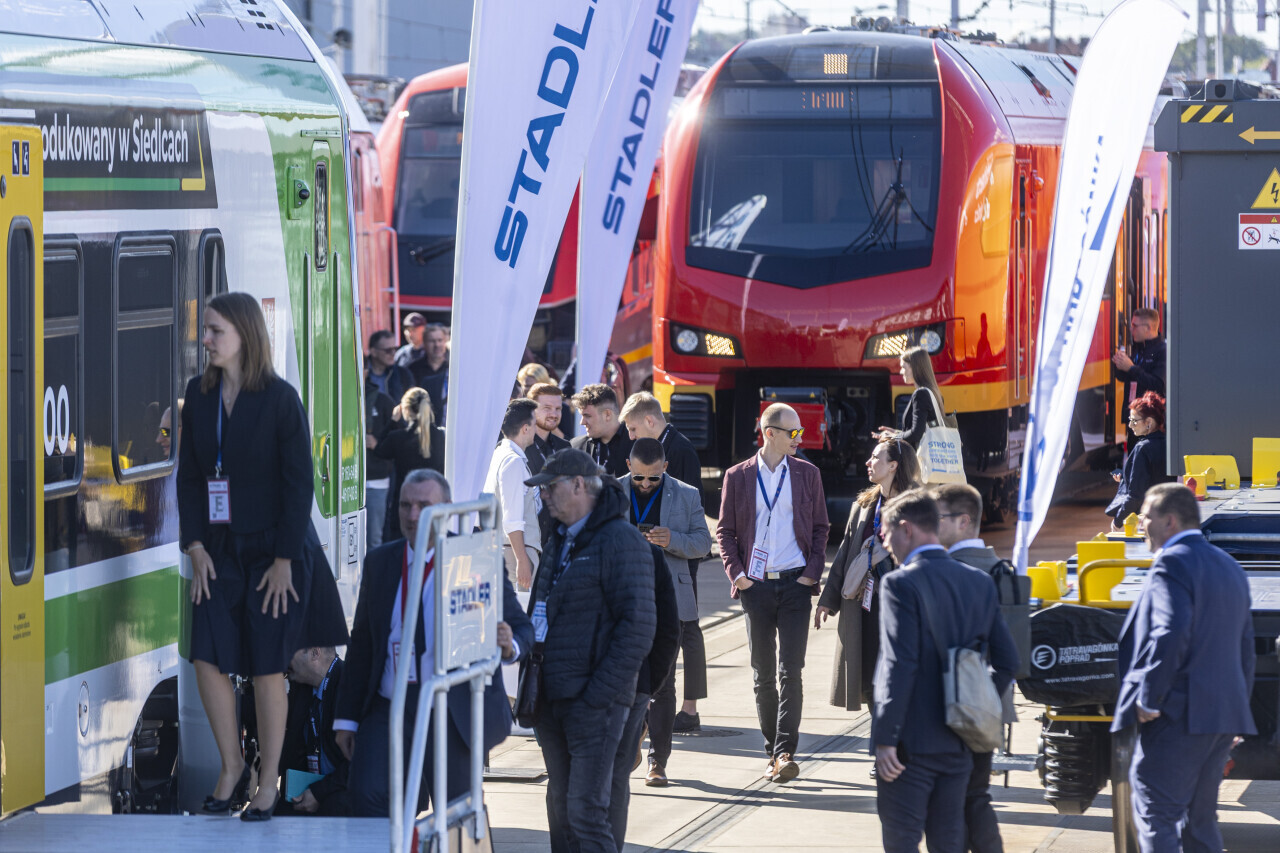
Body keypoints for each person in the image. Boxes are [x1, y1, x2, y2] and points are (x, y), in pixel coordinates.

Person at [178, 292, 348, 821]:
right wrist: (195, 545)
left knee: (268, 665)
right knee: (205, 653)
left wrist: (283, 561)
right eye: (206, 330)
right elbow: (190, 479)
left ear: (245, 335)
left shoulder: (279, 399)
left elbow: (300, 485)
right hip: (218, 549)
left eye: (215, 331)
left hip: (276, 552)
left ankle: (268, 784)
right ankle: (232, 766)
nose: (206, 340)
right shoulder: (199, 395)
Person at [333, 469, 533, 816]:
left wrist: (508, 644)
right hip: (390, 705)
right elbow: (362, 644)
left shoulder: (473, 558)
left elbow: (522, 629)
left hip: (449, 708)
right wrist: (346, 719)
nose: (413, 516)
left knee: (456, 813)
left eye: (424, 506)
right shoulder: (381, 562)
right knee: (366, 795)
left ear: (447, 508)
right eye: (405, 505)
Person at [523, 450, 657, 853]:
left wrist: (597, 697)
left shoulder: (620, 541)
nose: (544, 496)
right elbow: (541, 608)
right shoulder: (560, 538)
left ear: (579, 485)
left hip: (593, 705)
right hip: (551, 700)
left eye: (551, 487)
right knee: (563, 813)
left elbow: (638, 628)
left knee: (586, 812)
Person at [872, 490, 1018, 853]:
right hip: (959, 743)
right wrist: (975, 701)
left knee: (902, 841)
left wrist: (885, 739)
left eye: (886, 534)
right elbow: (1008, 661)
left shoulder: (900, 583)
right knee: (949, 842)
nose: (885, 544)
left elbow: (899, 664)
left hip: (909, 747)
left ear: (907, 529)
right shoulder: (978, 582)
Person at [1113, 483, 1255, 853]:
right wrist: (1236, 714)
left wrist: (1149, 697)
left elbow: (1170, 631)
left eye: (1146, 516)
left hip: (1179, 715)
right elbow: (1245, 649)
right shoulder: (1229, 566)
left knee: (1156, 814)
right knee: (1201, 823)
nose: (1140, 523)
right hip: (1220, 717)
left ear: (1170, 521)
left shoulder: (1172, 563)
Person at [716, 403, 829, 784]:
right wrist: (738, 575)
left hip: (796, 585)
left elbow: (821, 528)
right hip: (756, 586)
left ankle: (784, 752)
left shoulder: (808, 474)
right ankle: (772, 751)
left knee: (790, 672)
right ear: (770, 433)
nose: (799, 438)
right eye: (793, 433)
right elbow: (725, 532)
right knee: (763, 674)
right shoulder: (738, 476)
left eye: (800, 432)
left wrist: (811, 574)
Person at [933, 482, 1020, 853]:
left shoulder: (947, 572)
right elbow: (1013, 656)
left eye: (937, 518)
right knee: (976, 796)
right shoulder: (1003, 569)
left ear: (963, 521)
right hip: (988, 709)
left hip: (948, 708)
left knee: (949, 802)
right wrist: (986, 696)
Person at [620, 438, 712, 786]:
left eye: (653, 478)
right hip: (623, 602)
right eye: (639, 477)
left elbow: (703, 543)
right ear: (628, 467)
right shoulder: (610, 492)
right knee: (624, 680)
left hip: (669, 603)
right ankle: (630, 742)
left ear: (665, 469)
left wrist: (672, 538)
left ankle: (658, 760)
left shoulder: (686, 495)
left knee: (663, 683)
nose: (645, 484)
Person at [815, 437, 921, 712]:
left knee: (899, 679)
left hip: (901, 608)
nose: (868, 462)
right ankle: (880, 732)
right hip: (866, 607)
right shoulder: (863, 506)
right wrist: (828, 600)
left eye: (875, 457)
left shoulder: (918, 507)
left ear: (894, 465)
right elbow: (844, 555)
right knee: (871, 677)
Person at [608, 540, 680, 847]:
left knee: (614, 779)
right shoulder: (561, 546)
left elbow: (668, 627)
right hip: (573, 691)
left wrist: (649, 684)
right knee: (566, 786)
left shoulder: (647, 555)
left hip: (632, 686)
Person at [279, 646, 349, 816]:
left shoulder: (350, 686)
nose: (285, 658)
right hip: (306, 789)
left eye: (291, 648)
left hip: (341, 791)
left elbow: (360, 761)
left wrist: (319, 793)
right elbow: (273, 712)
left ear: (315, 653)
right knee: (277, 815)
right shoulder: (302, 687)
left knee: (334, 807)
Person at [369, 387, 445, 542]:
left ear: (406, 410)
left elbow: (379, 451)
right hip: (434, 502)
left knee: (403, 548)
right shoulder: (440, 436)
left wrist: (392, 421)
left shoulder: (398, 437)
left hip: (407, 505)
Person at [483, 399, 541, 591]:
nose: (536, 430)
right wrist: (522, 560)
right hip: (515, 552)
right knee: (521, 607)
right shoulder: (512, 461)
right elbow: (512, 518)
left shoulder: (500, 454)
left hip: (506, 549)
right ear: (525, 428)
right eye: (534, 425)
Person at [1107, 392, 1169, 531]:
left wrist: (1118, 521)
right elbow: (1156, 476)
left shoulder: (1142, 448)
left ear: (1149, 422)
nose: (1130, 425)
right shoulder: (1168, 444)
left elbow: (1136, 494)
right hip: (1167, 514)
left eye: (1134, 420)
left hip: (1147, 519)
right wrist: (1125, 479)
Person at [874, 346, 956, 450]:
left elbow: (916, 434)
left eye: (904, 367)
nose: (901, 372)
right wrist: (896, 432)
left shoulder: (921, 394)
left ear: (915, 368)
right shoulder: (934, 392)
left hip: (921, 457)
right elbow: (923, 430)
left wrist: (893, 437)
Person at [1113, 307, 1167, 423]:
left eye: (1135, 326)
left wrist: (1131, 368)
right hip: (1134, 417)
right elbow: (1128, 378)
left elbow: (1158, 385)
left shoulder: (1163, 350)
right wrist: (1119, 365)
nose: (1131, 329)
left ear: (1148, 327)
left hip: (1151, 420)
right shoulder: (1138, 348)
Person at [570, 384, 633, 478]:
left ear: (607, 415)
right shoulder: (576, 447)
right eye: (582, 416)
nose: (582, 422)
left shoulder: (635, 444)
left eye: (587, 416)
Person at [364, 383, 396, 551]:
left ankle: (372, 569)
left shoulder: (383, 401)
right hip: (345, 482)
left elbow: (397, 436)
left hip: (376, 483)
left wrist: (377, 444)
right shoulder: (342, 395)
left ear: (366, 371)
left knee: (374, 540)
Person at [526, 382, 572, 475]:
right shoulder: (521, 446)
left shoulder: (565, 447)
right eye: (547, 408)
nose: (554, 414)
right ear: (532, 410)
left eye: (558, 409)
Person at [365, 329, 414, 405]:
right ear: (373, 352)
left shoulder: (403, 374)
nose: (393, 353)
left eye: (395, 349)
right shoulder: (361, 373)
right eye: (388, 350)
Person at [408, 322, 450, 388]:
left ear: (445, 342)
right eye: (432, 341)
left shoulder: (452, 367)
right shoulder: (414, 369)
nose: (437, 345)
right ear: (424, 344)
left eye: (440, 340)